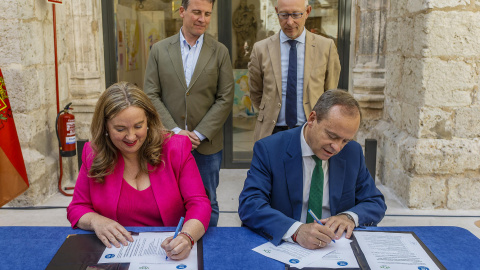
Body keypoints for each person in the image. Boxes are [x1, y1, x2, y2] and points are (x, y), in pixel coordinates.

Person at [67, 82, 211, 260]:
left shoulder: (175, 148)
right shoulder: (93, 154)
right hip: (117, 253)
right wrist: (96, 221)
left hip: (166, 253)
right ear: (105, 127)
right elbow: (77, 208)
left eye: (138, 126)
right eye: (120, 129)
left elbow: (199, 203)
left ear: (149, 121)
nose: (131, 137)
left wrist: (187, 236)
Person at [238, 90, 386, 249]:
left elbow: (374, 201)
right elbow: (250, 204)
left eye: (345, 140)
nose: (337, 147)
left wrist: (348, 217)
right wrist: (296, 231)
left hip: (335, 248)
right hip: (285, 245)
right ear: (312, 119)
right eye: (332, 136)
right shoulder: (270, 149)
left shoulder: (352, 152)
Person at [144, 0, 234, 227]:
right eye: (196, 12)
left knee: (207, 200)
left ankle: (208, 251)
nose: (202, 18)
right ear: (182, 12)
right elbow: (151, 94)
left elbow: (225, 97)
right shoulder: (159, 49)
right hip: (167, 142)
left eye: (207, 13)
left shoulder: (220, 51)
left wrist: (200, 134)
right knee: (169, 199)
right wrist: (175, 132)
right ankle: (174, 244)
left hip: (206, 146)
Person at [248, 0, 341, 141]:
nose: (290, 22)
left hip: (311, 131)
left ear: (308, 12)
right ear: (276, 11)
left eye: (296, 14)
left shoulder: (326, 47)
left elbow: (330, 92)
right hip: (272, 132)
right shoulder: (260, 49)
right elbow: (256, 92)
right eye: (284, 15)